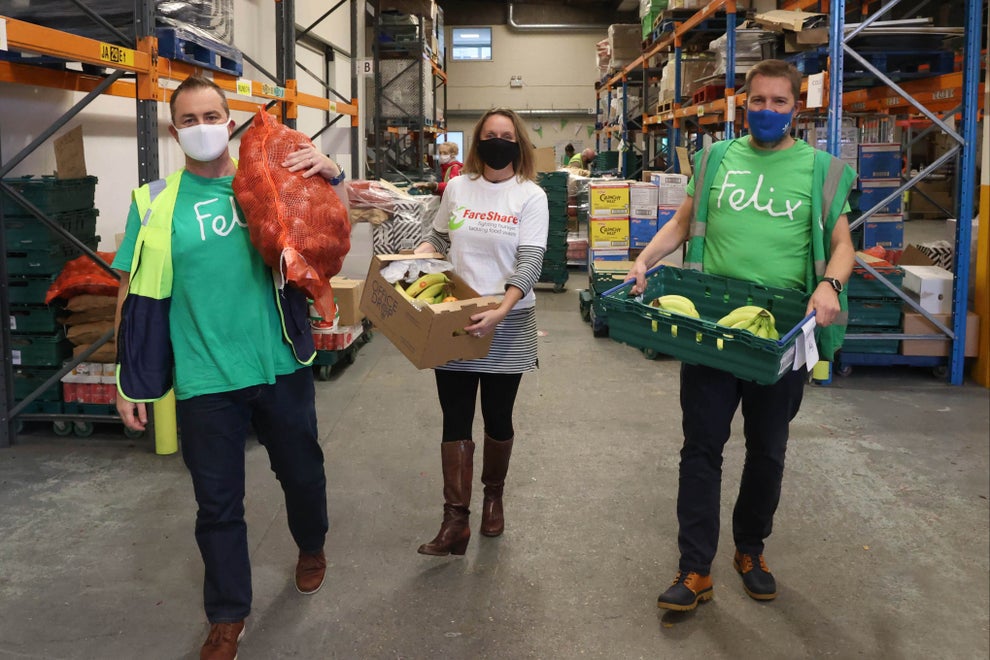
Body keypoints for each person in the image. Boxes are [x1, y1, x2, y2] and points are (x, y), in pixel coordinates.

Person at [112, 76, 346, 660]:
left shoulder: (266, 184)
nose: (202, 127)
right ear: (174, 131)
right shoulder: (154, 203)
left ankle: (311, 544)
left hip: (277, 365)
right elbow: (131, 292)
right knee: (216, 506)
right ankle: (227, 615)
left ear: (230, 120)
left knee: (302, 474)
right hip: (203, 378)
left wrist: (330, 172)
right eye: (188, 119)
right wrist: (128, 377)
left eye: (211, 114)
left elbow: (333, 231)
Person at [625, 59, 857, 612]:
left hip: (781, 330)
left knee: (768, 451)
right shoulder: (716, 159)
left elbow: (843, 244)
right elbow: (682, 224)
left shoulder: (819, 170)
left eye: (780, 102)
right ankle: (694, 568)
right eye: (759, 101)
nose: (768, 111)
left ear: (796, 109)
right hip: (713, 325)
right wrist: (644, 260)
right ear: (742, 104)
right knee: (701, 448)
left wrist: (830, 284)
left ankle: (750, 549)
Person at [412, 108, 549, 557]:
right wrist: (423, 250)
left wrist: (500, 310)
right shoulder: (457, 187)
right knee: (454, 418)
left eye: (506, 135)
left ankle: (493, 498)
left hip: (507, 324)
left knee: (497, 416)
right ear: (477, 141)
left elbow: (529, 263)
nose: (497, 142)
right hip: (455, 320)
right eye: (490, 135)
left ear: (518, 143)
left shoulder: (530, 196)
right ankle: (455, 520)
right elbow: (440, 238)